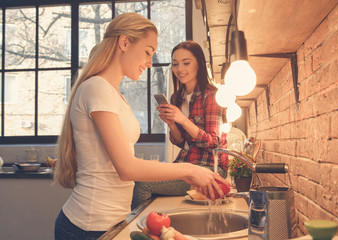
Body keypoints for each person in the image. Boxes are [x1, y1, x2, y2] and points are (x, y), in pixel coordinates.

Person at [53, 13, 228, 240]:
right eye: (148, 51)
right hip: (87, 226)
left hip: (112, 221)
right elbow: (127, 169)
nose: (150, 62)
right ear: (124, 42)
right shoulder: (97, 88)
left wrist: (189, 173)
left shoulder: (114, 94)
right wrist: (191, 170)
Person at [131, 41, 228, 210]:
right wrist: (172, 124)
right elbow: (181, 142)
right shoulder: (178, 97)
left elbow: (214, 143)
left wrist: (182, 119)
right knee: (142, 176)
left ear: (199, 63)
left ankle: (143, 232)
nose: (179, 69)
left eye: (186, 63)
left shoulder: (212, 95)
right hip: (185, 165)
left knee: (143, 184)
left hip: (209, 169)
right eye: (175, 64)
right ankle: (160, 228)